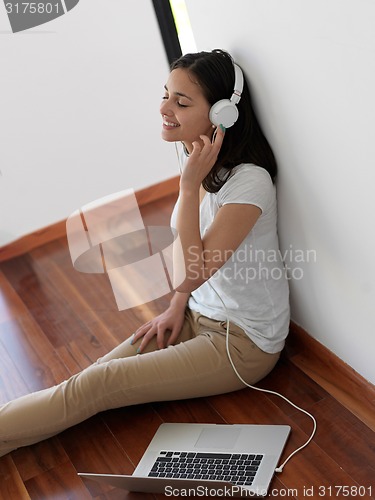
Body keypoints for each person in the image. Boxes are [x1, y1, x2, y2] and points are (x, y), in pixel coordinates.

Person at [0, 49, 290, 458]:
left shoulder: (249, 184)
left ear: (223, 114)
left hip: (241, 344)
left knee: (97, 386)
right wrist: (177, 307)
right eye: (166, 94)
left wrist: (189, 188)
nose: (164, 108)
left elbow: (190, 272)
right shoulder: (201, 158)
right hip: (192, 313)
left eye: (181, 101)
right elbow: (190, 278)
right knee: (93, 377)